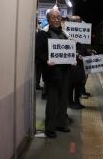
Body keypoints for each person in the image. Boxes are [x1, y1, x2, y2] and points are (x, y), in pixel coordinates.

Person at [35, 8, 72, 138]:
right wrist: (46, 61)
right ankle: (50, 128)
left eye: (58, 17)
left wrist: (72, 59)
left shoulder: (66, 34)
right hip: (52, 73)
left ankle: (61, 124)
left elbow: (69, 51)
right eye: (54, 17)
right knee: (53, 101)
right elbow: (38, 53)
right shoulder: (43, 34)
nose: (57, 19)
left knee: (63, 100)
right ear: (48, 19)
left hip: (65, 72)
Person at [67, 15, 88, 109]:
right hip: (71, 64)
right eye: (77, 21)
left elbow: (83, 48)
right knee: (71, 84)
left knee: (79, 83)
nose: (79, 23)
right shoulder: (66, 34)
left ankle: (76, 101)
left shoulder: (82, 35)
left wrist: (88, 53)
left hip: (80, 63)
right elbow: (65, 48)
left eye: (79, 21)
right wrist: (76, 53)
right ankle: (70, 102)